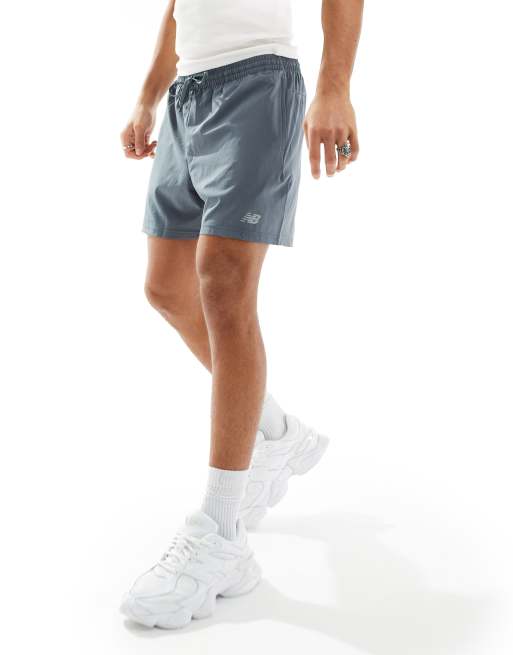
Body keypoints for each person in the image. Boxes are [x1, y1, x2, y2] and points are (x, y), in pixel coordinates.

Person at [120, 0, 363, 629]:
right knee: (165, 288)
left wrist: (335, 86)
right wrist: (148, 95)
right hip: (188, 92)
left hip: (259, 79)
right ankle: (277, 432)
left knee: (224, 287)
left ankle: (221, 533)